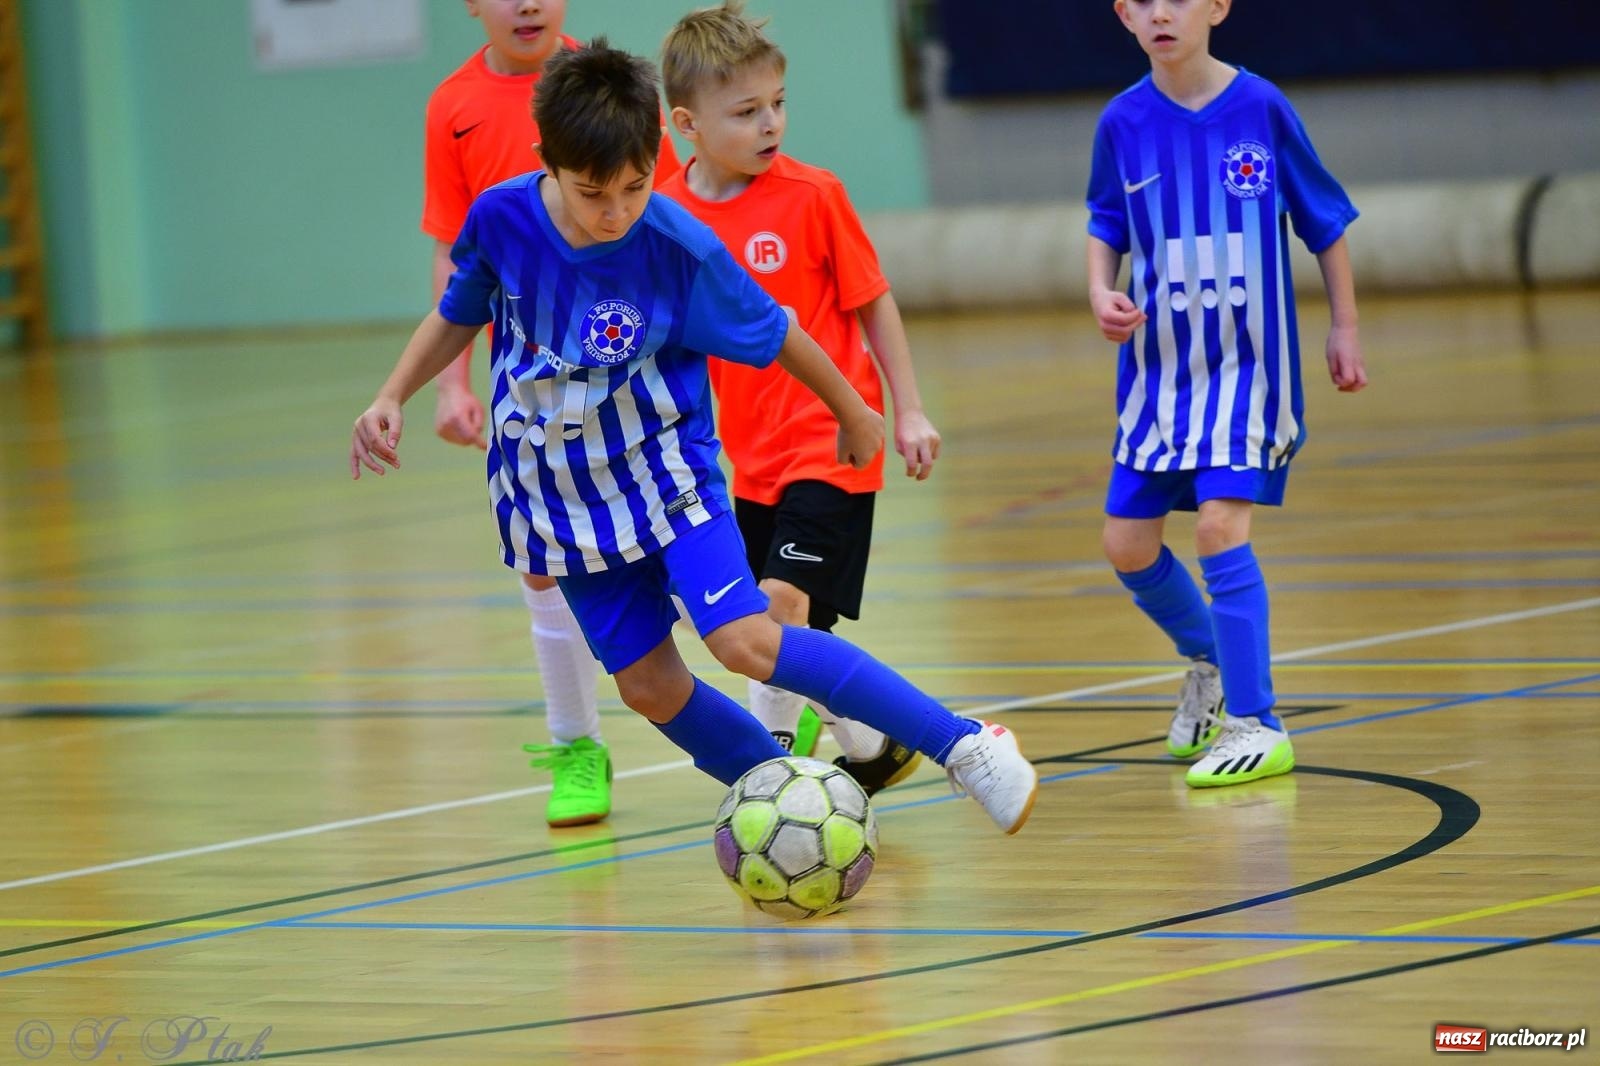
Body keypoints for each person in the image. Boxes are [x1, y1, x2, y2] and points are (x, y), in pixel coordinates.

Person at [354, 40, 1038, 834]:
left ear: (657, 156)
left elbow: (777, 330)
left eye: (636, 187)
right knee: (646, 686)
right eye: (592, 193)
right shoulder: (501, 221)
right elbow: (457, 314)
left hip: (665, 476)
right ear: (548, 160)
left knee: (748, 640)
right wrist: (392, 394)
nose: (616, 212)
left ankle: (965, 746)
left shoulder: (678, 248)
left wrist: (856, 410)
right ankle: (788, 795)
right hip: (557, 502)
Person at [656, 1, 936, 796]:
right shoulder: (667, 219)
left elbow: (873, 299)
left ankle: (771, 765)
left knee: (774, 608)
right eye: (746, 112)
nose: (771, 123)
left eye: (778, 104)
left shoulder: (814, 196)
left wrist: (906, 408)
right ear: (688, 124)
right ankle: (872, 743)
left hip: (828, 442)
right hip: (740, 461)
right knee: (770, 623)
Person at [1085, 0, 1367, 787]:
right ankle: (1212, 660)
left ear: (1217, 6)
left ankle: (1258, 720)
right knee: (1127, 545)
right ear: (1123, 16)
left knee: (1217, 529)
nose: (1160, 13)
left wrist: (1344, 328)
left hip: (1249, 375)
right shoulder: (1122, 121)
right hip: (1159, 376)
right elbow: (1106, 219)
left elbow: (1327, 223)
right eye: (1142, 1)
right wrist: (1100, 291)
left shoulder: (1262, 106)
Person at [422, 0, 682, 827]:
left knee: (697, 554)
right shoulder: (453, 108)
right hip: (535, 386)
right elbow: (452, 253)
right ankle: (575, 747)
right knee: (543, 564)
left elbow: (673, 224)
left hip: (636, 374)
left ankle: (800, 716)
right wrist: (449, 384)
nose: (526, 3)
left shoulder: (610, 91)